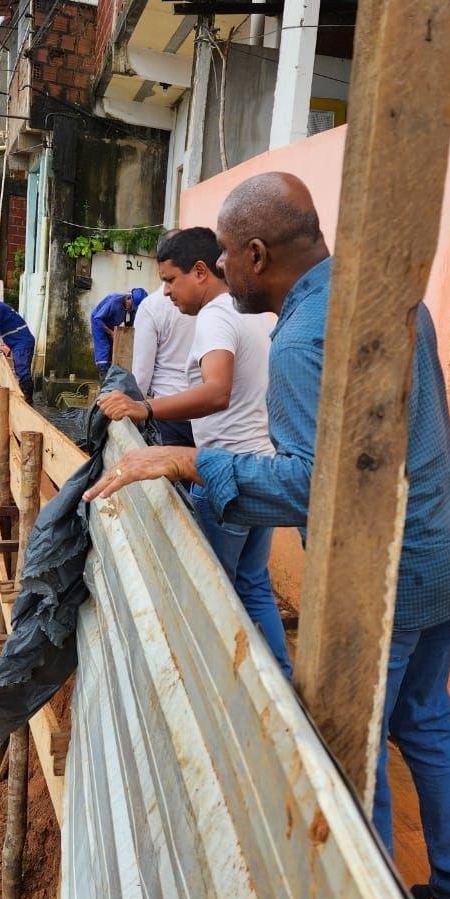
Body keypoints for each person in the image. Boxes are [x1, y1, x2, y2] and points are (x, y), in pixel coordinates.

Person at [83, 173, 450, 899]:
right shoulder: (388, 294)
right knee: (426, 719)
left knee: (357, 745)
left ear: (253, 253)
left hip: (394, 582)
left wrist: (189, 464)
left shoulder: (306, 341)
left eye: (225, 261)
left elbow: (321, 488)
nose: (219, 274)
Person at [96, 227, 293, 679]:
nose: (165, 293)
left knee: (211, 594)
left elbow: (217, 391)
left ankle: (223, 690)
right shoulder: (254, 312)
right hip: (260, 467)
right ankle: (281, 682)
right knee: (253, 584)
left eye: (170, 280)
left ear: (200, 272)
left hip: (224, 477)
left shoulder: (215, 317)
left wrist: (143, 408)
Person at [130, 252, 197, 447]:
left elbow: (141, 375)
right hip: (206, 413)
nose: (168, 292)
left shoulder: (151, 306)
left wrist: (138, 411)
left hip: (168, 412)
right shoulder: (213, 305)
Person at [90, 287, 147, 379]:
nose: (132, 309)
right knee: (105, 347)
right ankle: (104, 376)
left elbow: (130, 323)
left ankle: (111, 377)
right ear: (128, 298)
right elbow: (98, 319)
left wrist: (129, 337)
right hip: (99, 323)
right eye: (132, 306)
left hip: (112, 325)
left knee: (114, 349)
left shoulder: (132, 307)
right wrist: (111, 333)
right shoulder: (113, 301)